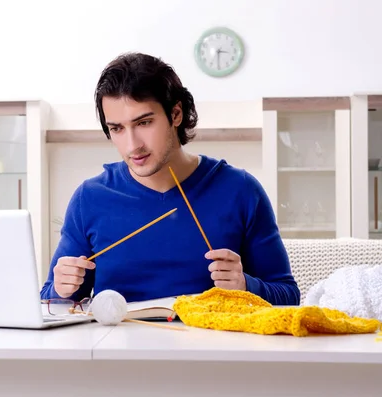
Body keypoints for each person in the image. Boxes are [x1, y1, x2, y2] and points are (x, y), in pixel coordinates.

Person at [40, 52, 300, 306]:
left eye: (144, 123)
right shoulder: (90, 198)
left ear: (176, 114)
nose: (132, 145)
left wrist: (245, 285)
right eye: (117, 128)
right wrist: (63, 288)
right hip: (116, 347)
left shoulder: (240, 189)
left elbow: (288, 295)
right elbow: (51, 298)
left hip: (212, 346)